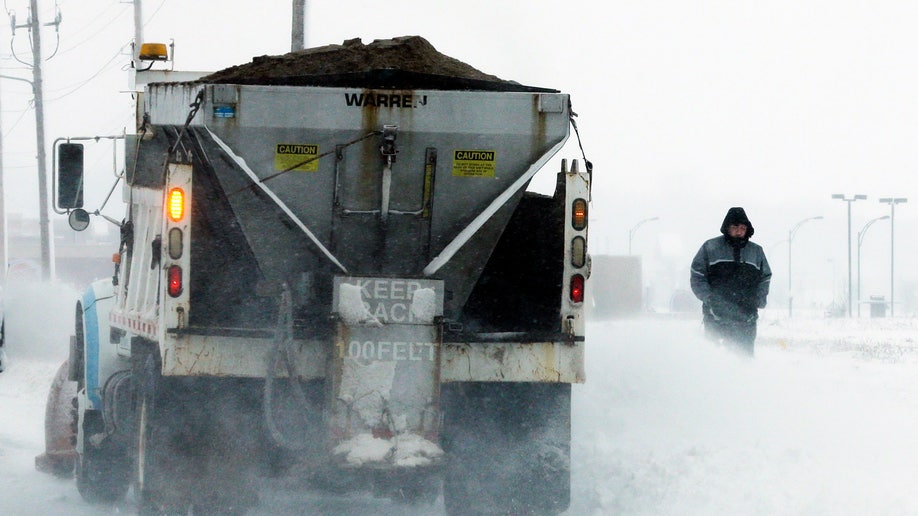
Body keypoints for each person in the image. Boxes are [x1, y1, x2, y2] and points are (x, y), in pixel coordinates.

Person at [690, 207, 771, 356]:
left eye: (742, 228)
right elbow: (697, 275)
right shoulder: (710, 248)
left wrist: (758, 299)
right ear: (727, 228)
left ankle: (744, 379)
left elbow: (765, 277)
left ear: (747, 229)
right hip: (716, 316)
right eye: (734, 227)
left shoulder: (756, 252)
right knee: (715, 357)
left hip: (746, 317)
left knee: (744, 358)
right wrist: (710, 298)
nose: (739, 231)